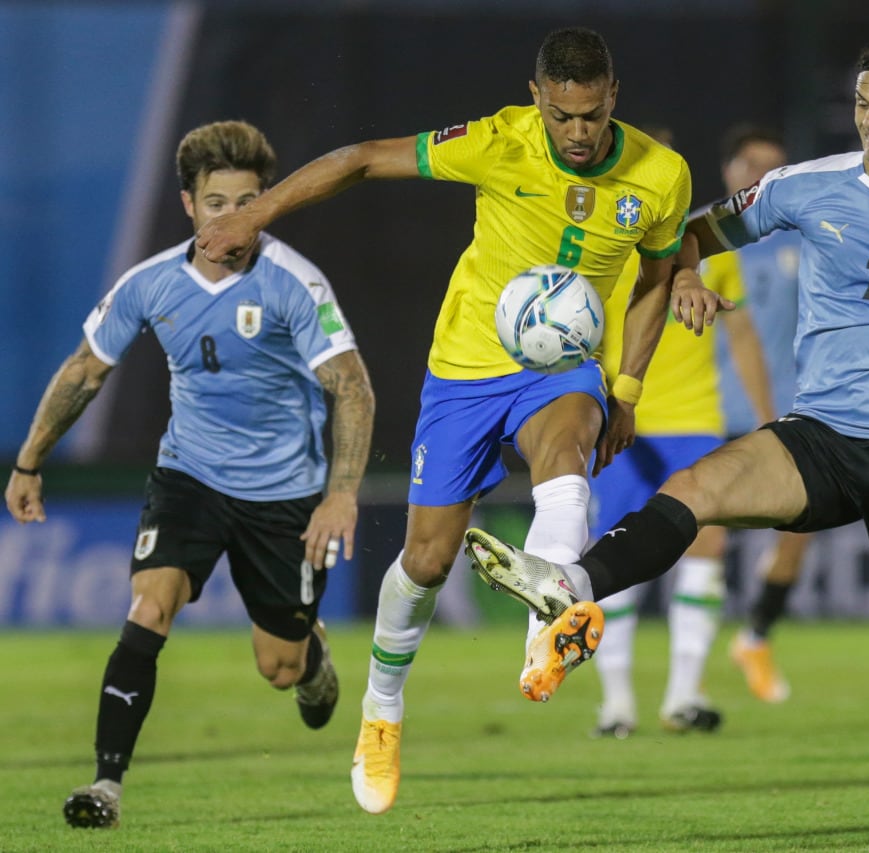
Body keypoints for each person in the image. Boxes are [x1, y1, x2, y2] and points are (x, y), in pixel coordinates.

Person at [465, 24, 869, 844]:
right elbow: (689, 230)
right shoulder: (806, 186)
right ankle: (572, 590)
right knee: (694, 489)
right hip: (822, 435)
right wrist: (687, 272)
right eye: (863, 104)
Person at [196, 28, 691, 814]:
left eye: (592, 116)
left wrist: (625, 387)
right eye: (562, 116)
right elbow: (360, 158)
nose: (577, 133)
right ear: (539, 99)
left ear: (613, 99)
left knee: (566, 448)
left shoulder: (661, 174)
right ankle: (382, 709)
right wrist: (254, 213)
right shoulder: (497, 141)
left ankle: (550, 616)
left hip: (563, 365)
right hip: (464, 370)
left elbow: (660, 273)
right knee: (427, 560)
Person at [4, 120, 376, 829]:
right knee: (148, 608)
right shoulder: (149, 283)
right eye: (216, 202)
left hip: (285, 496)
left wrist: (341, 494)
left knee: (281, 667)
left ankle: (311, 653)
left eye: (248, 200)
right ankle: (105, 786)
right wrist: (29, 461)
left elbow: (351, 387)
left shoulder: (294, 282)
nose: (232, 216)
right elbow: (86, 370)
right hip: (190, 478)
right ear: (188, 205)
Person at [588, 126, 773, 738]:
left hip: (696, 418)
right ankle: (616, 706)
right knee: (612, 555)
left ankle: (682, 696)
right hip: (621, 419)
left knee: (708, 547)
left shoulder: (701, 245)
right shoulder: (595, 239)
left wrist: (768, 416)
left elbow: (740, 334)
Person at [704, 123, 812, 705]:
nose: (763, 180)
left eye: (776, 170)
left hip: (791, 409)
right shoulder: (698, 237)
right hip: (707, 408)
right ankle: (678, 677)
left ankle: (754, 637)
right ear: (728, 171)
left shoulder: (802, 239)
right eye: (753, 166)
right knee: (705, 540)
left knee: (803, 528)